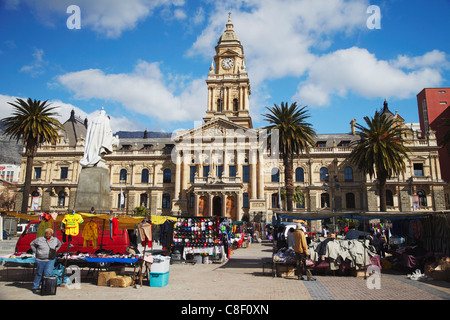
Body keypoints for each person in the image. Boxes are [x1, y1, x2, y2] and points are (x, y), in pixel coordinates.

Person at [30, 228, 62, 293]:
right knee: (39, 273)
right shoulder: (39, 239)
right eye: (47, 233)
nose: (48, 235)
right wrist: (36, 251)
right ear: (45, 233)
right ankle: (35, 287)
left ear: (51, 234)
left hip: (50, 260)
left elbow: (59, 244)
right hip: (40, 259)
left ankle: (45, 287)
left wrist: (55, 250)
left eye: (49, 234)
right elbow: (32, 244)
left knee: (48, 274)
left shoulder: (55, 240)